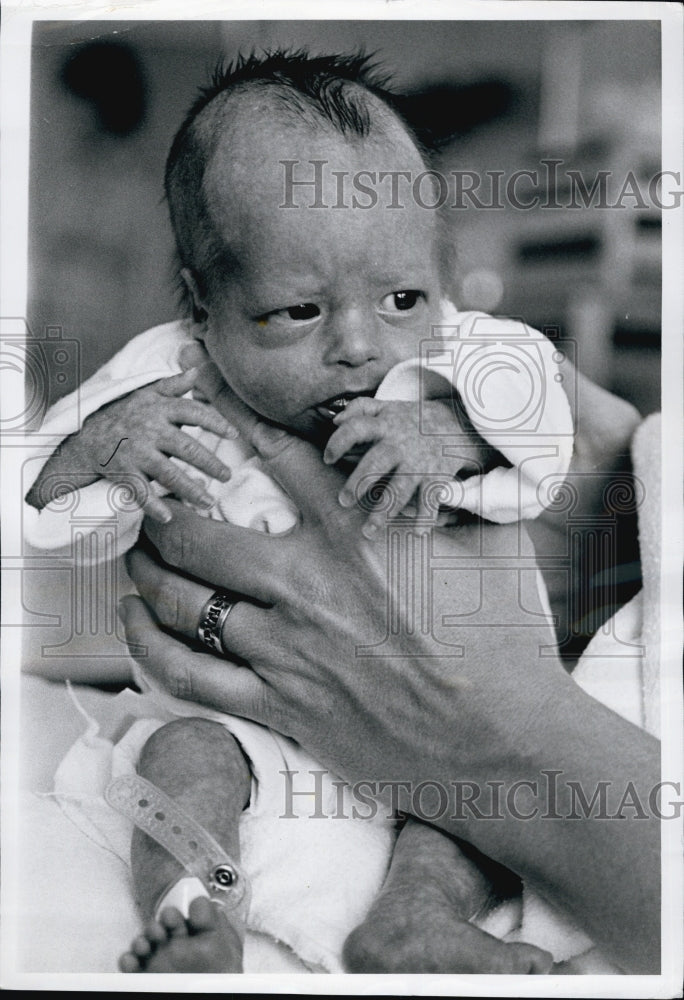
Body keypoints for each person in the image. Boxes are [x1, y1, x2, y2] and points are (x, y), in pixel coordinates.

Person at [24, 51, 655, 975]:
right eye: (296, 311)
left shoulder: (462, 353)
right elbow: (43, 512)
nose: (359, 345)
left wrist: (455, 435)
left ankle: (413, 923)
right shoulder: (160, 379)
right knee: (181, 758)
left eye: (401, 297)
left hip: (454, 751)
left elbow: (544, 431)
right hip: (247, 730)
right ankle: (192, 909)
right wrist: (98, 451)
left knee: (482, 827)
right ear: (202, 306)